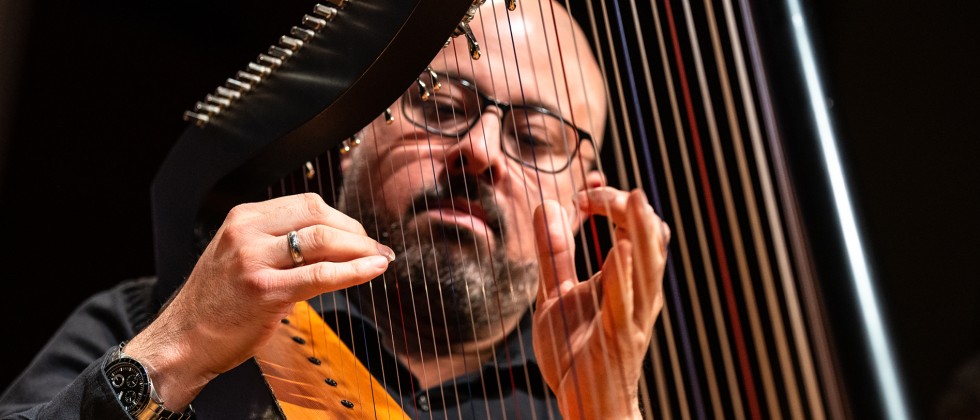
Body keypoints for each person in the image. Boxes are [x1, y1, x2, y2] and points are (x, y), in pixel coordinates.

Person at [0, 0, 670, 418]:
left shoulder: (587, 406)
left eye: (532, 138)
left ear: (585, 199)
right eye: (441, 107)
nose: (480, 152)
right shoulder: (163, 318)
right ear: (350, 140)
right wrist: (176, 351)